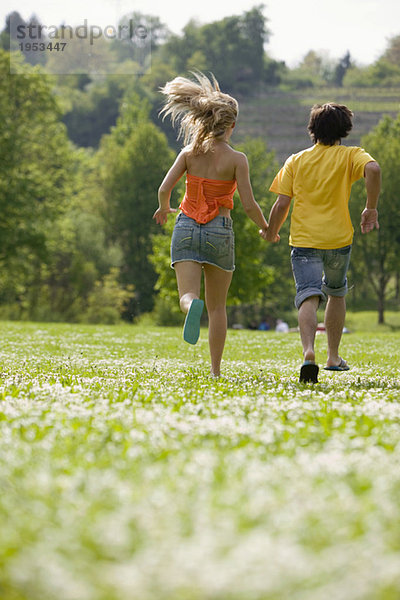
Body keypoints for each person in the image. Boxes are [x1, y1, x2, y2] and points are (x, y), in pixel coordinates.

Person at [153, 72, 269, 377]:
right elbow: (248, 204)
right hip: (219, 230)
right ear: (232, 126)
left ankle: (191, 305)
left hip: (187, 227)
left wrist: (165, 208)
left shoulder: (189, 153)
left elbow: (165, 188)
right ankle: (215, 370)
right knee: (218, 308)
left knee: (187, 295)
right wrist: (268, 228)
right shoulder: (237, 159)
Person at [263, 102, 381, 383]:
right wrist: (371, 207)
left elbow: (281, 204)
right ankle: (333, 357)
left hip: (304, 240)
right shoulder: (351, 156)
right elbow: (374, 169)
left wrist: (271, 231)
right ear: (345, 129)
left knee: (308, 295)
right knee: (336, 292)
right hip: (338, 239)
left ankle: (308, 353)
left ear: (312, 130)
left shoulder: (296, 160)